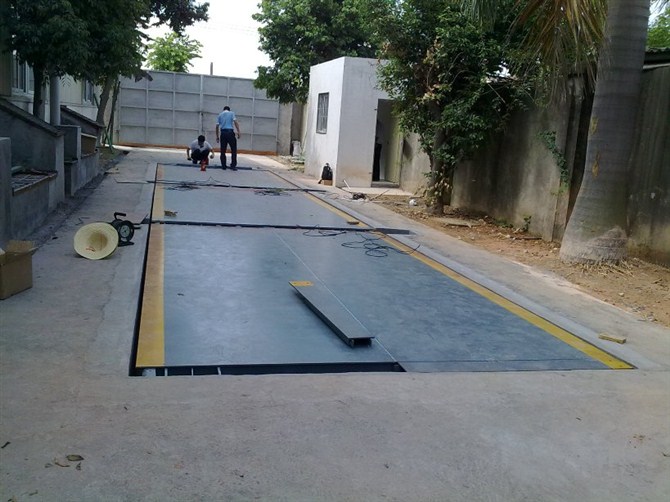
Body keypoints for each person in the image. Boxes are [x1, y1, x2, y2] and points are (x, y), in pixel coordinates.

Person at [215, 105, 241, 170]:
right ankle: (233, 165)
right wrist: (238, 131)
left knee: (223, 150)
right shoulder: (231, 113)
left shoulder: (220, 115)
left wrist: (217, 136)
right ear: (229, 110)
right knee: (233, 149)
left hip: (223, 133)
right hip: (230, 133)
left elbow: (217, 126)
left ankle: (223, 166)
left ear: (223, 110)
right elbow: (235, 122)